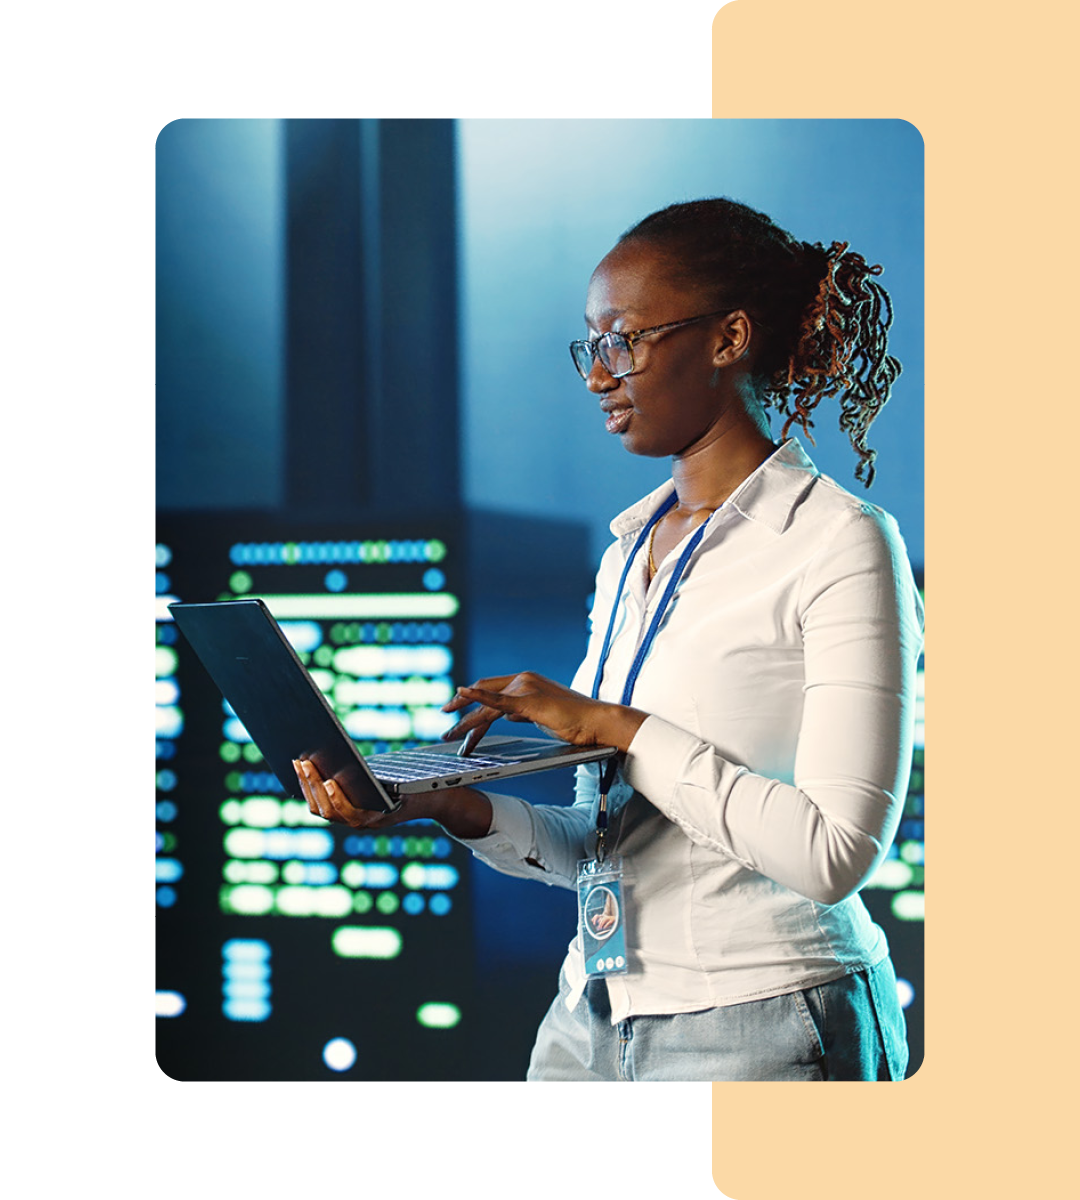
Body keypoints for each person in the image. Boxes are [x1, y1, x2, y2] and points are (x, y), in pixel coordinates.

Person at [294, 197, 924, 1082]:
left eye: (624, 340)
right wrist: (450, 806)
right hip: (593, 1013)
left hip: (768, 1017)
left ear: (728, 336)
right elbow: (607, 846)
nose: (598, 373)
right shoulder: (630, 550)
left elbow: (832, 855)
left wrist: (619, 727)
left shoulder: (838, 539)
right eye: (590, 345)